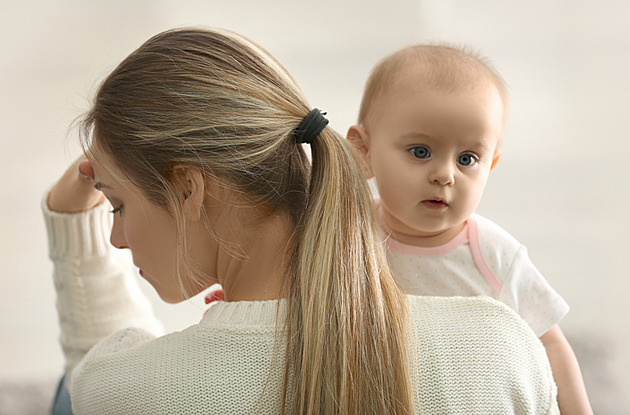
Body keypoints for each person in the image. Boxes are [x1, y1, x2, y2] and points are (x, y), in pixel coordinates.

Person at [44, 28, 560, 414]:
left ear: (188, 188)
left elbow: (89, 379)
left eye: (117, 205)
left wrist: (74, 231)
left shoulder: (134, 388)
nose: (115, 236)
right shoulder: (502, 348)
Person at [347, 44, 592, 414]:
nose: (445, 174)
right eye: (420, 151)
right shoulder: (348, 233)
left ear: (490, 165)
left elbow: (551, 344)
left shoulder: (495, 256)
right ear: (362, 151)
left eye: (467, 159)